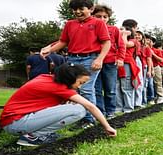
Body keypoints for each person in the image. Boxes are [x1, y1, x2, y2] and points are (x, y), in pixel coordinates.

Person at [0, 63, 117, 147]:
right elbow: (90, 106)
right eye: (80, 83)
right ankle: (32, 136)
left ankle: (37, 134)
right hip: (16, 123)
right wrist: (107, 127)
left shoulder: (47, 77)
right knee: (80, 110)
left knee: (73, 107)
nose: (80, 87)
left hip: (13, 121)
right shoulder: (59, 87)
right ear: (71, 78)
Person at [40, 0, 111, 128]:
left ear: (91, 9)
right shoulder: (69, 24)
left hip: (90, 58)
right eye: (75, 9)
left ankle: (89, 120)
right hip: (72, 59)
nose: (77, 12)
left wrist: (100, 59)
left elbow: (106, 43)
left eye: (81, 8)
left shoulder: (98, 23)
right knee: (73, 89)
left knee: (86, 89)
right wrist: (49, 50)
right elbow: (63, 42)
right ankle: (78, 116)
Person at [92, 4, 126, 119]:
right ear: (93, 16)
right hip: (94, 62)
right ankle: (100, 112)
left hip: (110, 62)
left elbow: (121, 45)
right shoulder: (91, 28)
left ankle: (110, 111)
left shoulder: (114, 29)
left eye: (105, 16)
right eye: (98, 16)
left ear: (109, 18)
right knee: (96, 89)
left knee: (110, 89)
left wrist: (121, 58)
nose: (102, 19)